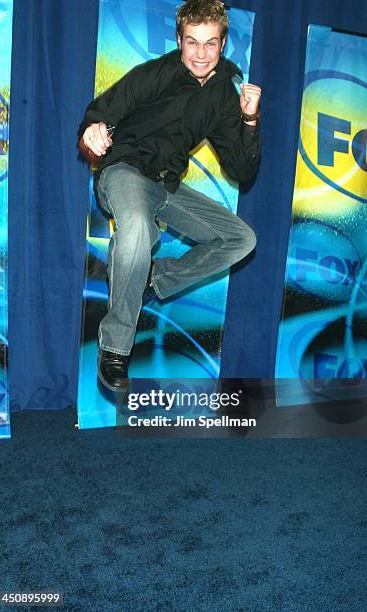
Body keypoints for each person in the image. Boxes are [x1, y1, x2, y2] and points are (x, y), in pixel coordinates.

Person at [78, 0, 262, 392]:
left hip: (166, 186)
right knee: (139, 229)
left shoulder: (225, 96)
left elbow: (243, 171)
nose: (200, 54)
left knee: (241, 239)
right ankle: (115, 347)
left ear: (223, 43)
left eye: (210, 43)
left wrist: (248, 120)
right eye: (192, 42)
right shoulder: (155, 74)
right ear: (179, 40)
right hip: (124, 171)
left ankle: (151, 278)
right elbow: (103, 111)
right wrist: (93, 131)